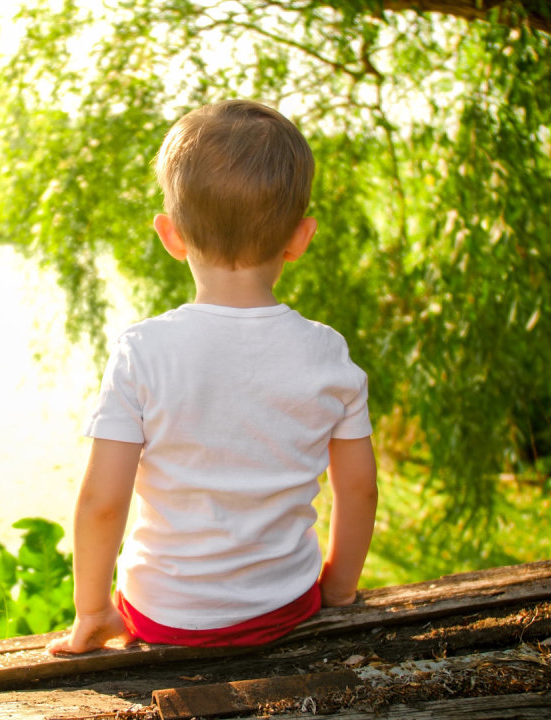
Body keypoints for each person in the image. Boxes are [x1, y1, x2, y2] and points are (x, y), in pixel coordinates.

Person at [46, 99, 378, 655]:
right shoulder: (327, 351)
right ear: (300, 237)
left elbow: (104, 502)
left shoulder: (143, 351)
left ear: (170, 236)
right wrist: (338, 592)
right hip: (287, 607)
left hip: (164, 617)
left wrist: (92, 610)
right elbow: (359, 489)